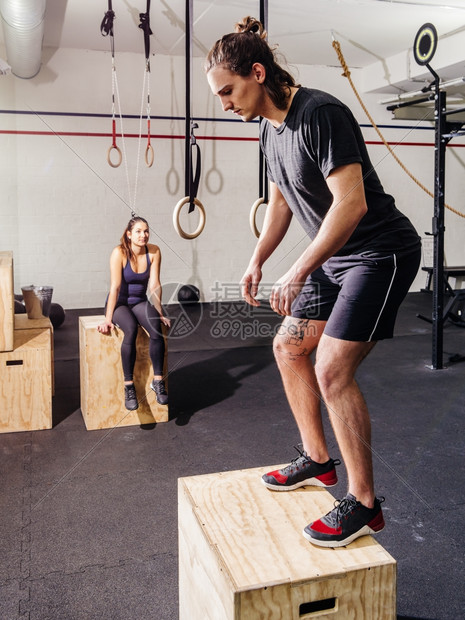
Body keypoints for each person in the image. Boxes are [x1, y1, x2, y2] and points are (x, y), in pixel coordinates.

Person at [205, 17, 421, 547]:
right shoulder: (268, 129)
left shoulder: (320, 113)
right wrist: (258, 260)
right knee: (289, 347)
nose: (225, 103)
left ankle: (365, 504)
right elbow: (281, 202)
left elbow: (351, 203)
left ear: (257, 73)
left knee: (331, 370)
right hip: (335, 258)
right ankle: (318, 461)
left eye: (228, 91)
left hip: (379, 252)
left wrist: (297, 270)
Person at [98, 216, 170, 410]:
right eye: (138, 231)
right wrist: (107, 318)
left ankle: (158, 381)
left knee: (156, 328)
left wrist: (159, 312)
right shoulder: (119, 252)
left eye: (146, 231)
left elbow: (154, 285)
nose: (143, 235)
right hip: (120, 304)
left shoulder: (154, 252)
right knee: (130, 329)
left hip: (139, 302)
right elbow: (115, 287)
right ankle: (128, 386)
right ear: (129, 234)